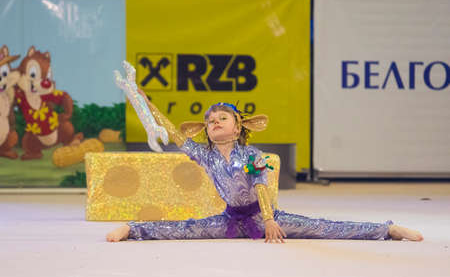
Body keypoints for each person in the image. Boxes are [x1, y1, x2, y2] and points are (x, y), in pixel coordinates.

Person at [106, 92, 423, 243]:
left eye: (221, 119)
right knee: (185, 229)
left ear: (237, 126)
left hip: (265, 215)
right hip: (230, 219)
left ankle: (387, 229)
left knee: (325, 227)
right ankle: (134, 229)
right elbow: (175, 134)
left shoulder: (251, 153)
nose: (214, 123)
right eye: (209, 121)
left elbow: (260, 184)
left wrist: (270, 221)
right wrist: (147, 104)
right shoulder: (205, 155)